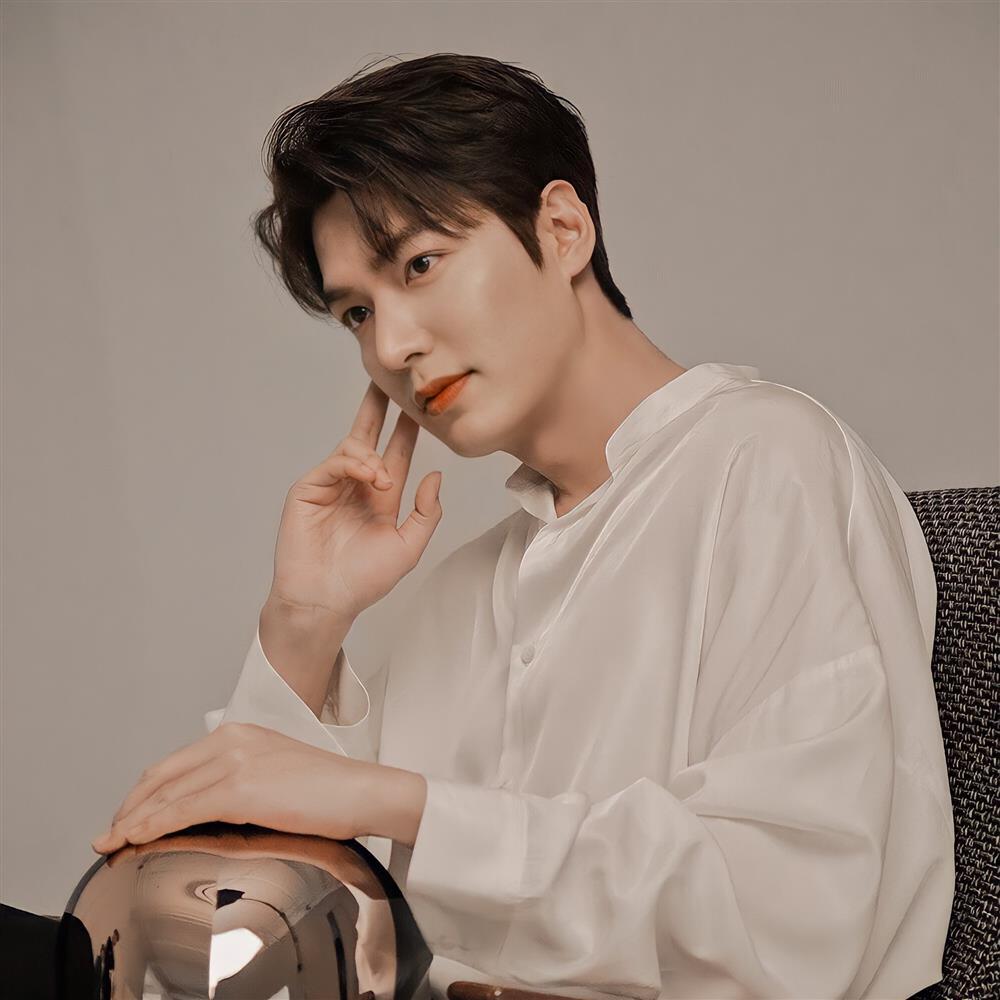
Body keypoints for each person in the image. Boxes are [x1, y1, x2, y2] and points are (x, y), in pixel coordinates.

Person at [95, 53, 955, 999]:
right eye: (357, 313)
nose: (392, 346)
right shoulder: (464, 588)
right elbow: (245, 944)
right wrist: (304, 623)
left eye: (420, 265)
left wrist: (402, 806)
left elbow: (790, 918)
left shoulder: (766, 459)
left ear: (562, 228)